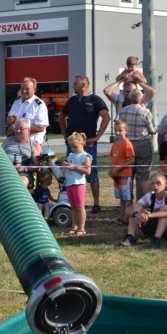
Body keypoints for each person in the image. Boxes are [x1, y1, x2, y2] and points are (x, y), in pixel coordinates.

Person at [59, 75, 111, 213]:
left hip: (88, 144)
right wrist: (65, 134)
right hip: (72, 145)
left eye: (75, 84)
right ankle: (74, 202)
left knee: (91, 173)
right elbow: (62, 116)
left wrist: (97, 136)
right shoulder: (72, 101)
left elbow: (106, 116)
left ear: (83, 85)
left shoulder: (95, 100)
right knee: (70, 170)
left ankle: (96, 203)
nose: (72, 86)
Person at [120, 172, 167, 249]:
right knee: (136, 210)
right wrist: (136, 214)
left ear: (166, 184)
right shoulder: (150, 195)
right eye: (153, 183)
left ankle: (156, 238)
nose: (155, 185)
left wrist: (148, 215)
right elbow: (129, 209)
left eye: (158, 183)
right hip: (154, 226)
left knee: (165, 208)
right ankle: (130, 236)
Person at [117, 88, 157, 199]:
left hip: (127, 145)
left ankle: (127, 201)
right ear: (141, 99)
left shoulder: (123, 111)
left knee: (128, 174)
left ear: (129, 98)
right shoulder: (145, 112)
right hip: (142, 144)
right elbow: (152, 130)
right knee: (142, 176)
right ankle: (141, 202)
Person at [62, 132, 92, 236]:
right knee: (73, 206)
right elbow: (68, 168)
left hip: (79, 184)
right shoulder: (70, 156)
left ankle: (81, 227)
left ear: (82, 143)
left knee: (80, 207)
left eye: (75, 147)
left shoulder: (85, 156)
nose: (73, 149)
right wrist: (65, 166)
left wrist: (75, 168)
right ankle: (74, 226)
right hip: (69, 183)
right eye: (71, 147)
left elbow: (88, 171)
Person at [6, 76, 49, 143]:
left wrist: (19, 130)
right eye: (22, 88)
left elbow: (40, 127)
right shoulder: (16, 103)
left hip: (32, 143)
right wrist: (9, 121)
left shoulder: (39, 105)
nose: (24, 91)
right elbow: (10, 124)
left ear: (34, 90)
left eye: (27, 89)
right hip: (15, 141)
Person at [109, 119, 135, 226]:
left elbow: (132, 160)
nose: (117, 133)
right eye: (115, 130)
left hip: (125, 175)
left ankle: (126, 218)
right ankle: (121, 216)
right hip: (117, 176)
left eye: (120, 130)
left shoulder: (127, 143)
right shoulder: (115, 143)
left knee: (127, 197)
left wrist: (119, 168)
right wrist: (112, 169)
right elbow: (113, 158)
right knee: (121, 197)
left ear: (126, 131)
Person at [2, 117, 41, 188]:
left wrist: (24, 168)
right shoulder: (7, 140)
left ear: (28, 130)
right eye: (16, 128)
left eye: (21, 129)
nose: (18, 131)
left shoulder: (34, 144)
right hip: (5, 171)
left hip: (23, 173)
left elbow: (36, 165)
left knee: (21, 183)